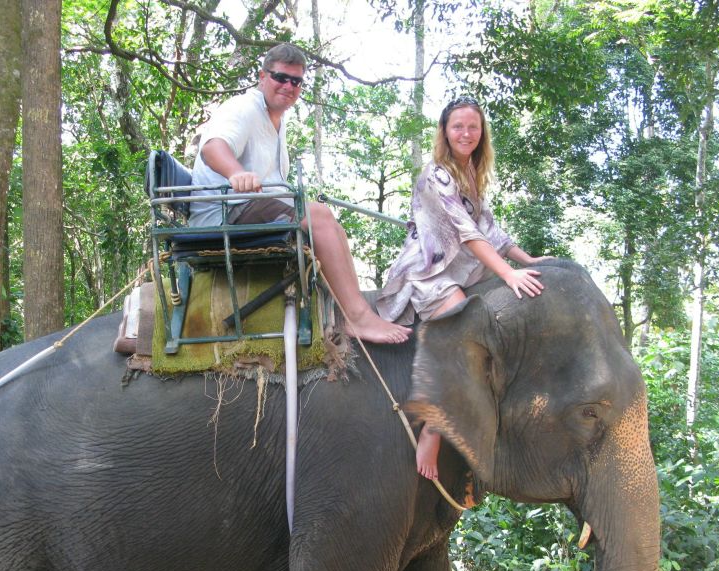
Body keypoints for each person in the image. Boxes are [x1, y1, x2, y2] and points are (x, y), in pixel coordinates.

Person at [189, 44, 411, 344]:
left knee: (330, 221)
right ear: (262, 77)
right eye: (281, 77)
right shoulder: (244, 108)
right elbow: (213, 147)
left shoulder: (276, 121)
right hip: (225, 212)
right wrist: (235, 173)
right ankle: (356, 318)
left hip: (249, 207)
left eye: (296, 81)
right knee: (317, 216)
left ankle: (355, 306)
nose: (288, 86)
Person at [375, 97, 546, 480]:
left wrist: (528, 260)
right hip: (431, 273)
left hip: (465, 270)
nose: (466, 133)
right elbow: (467, 234)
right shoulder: (436, 176)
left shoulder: (472, 171)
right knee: (462, 326)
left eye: (473, 127)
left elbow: (491, 231)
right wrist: (509, 274)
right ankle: (432, 427)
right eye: (458, 127)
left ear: (481, 132)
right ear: (445, 132)